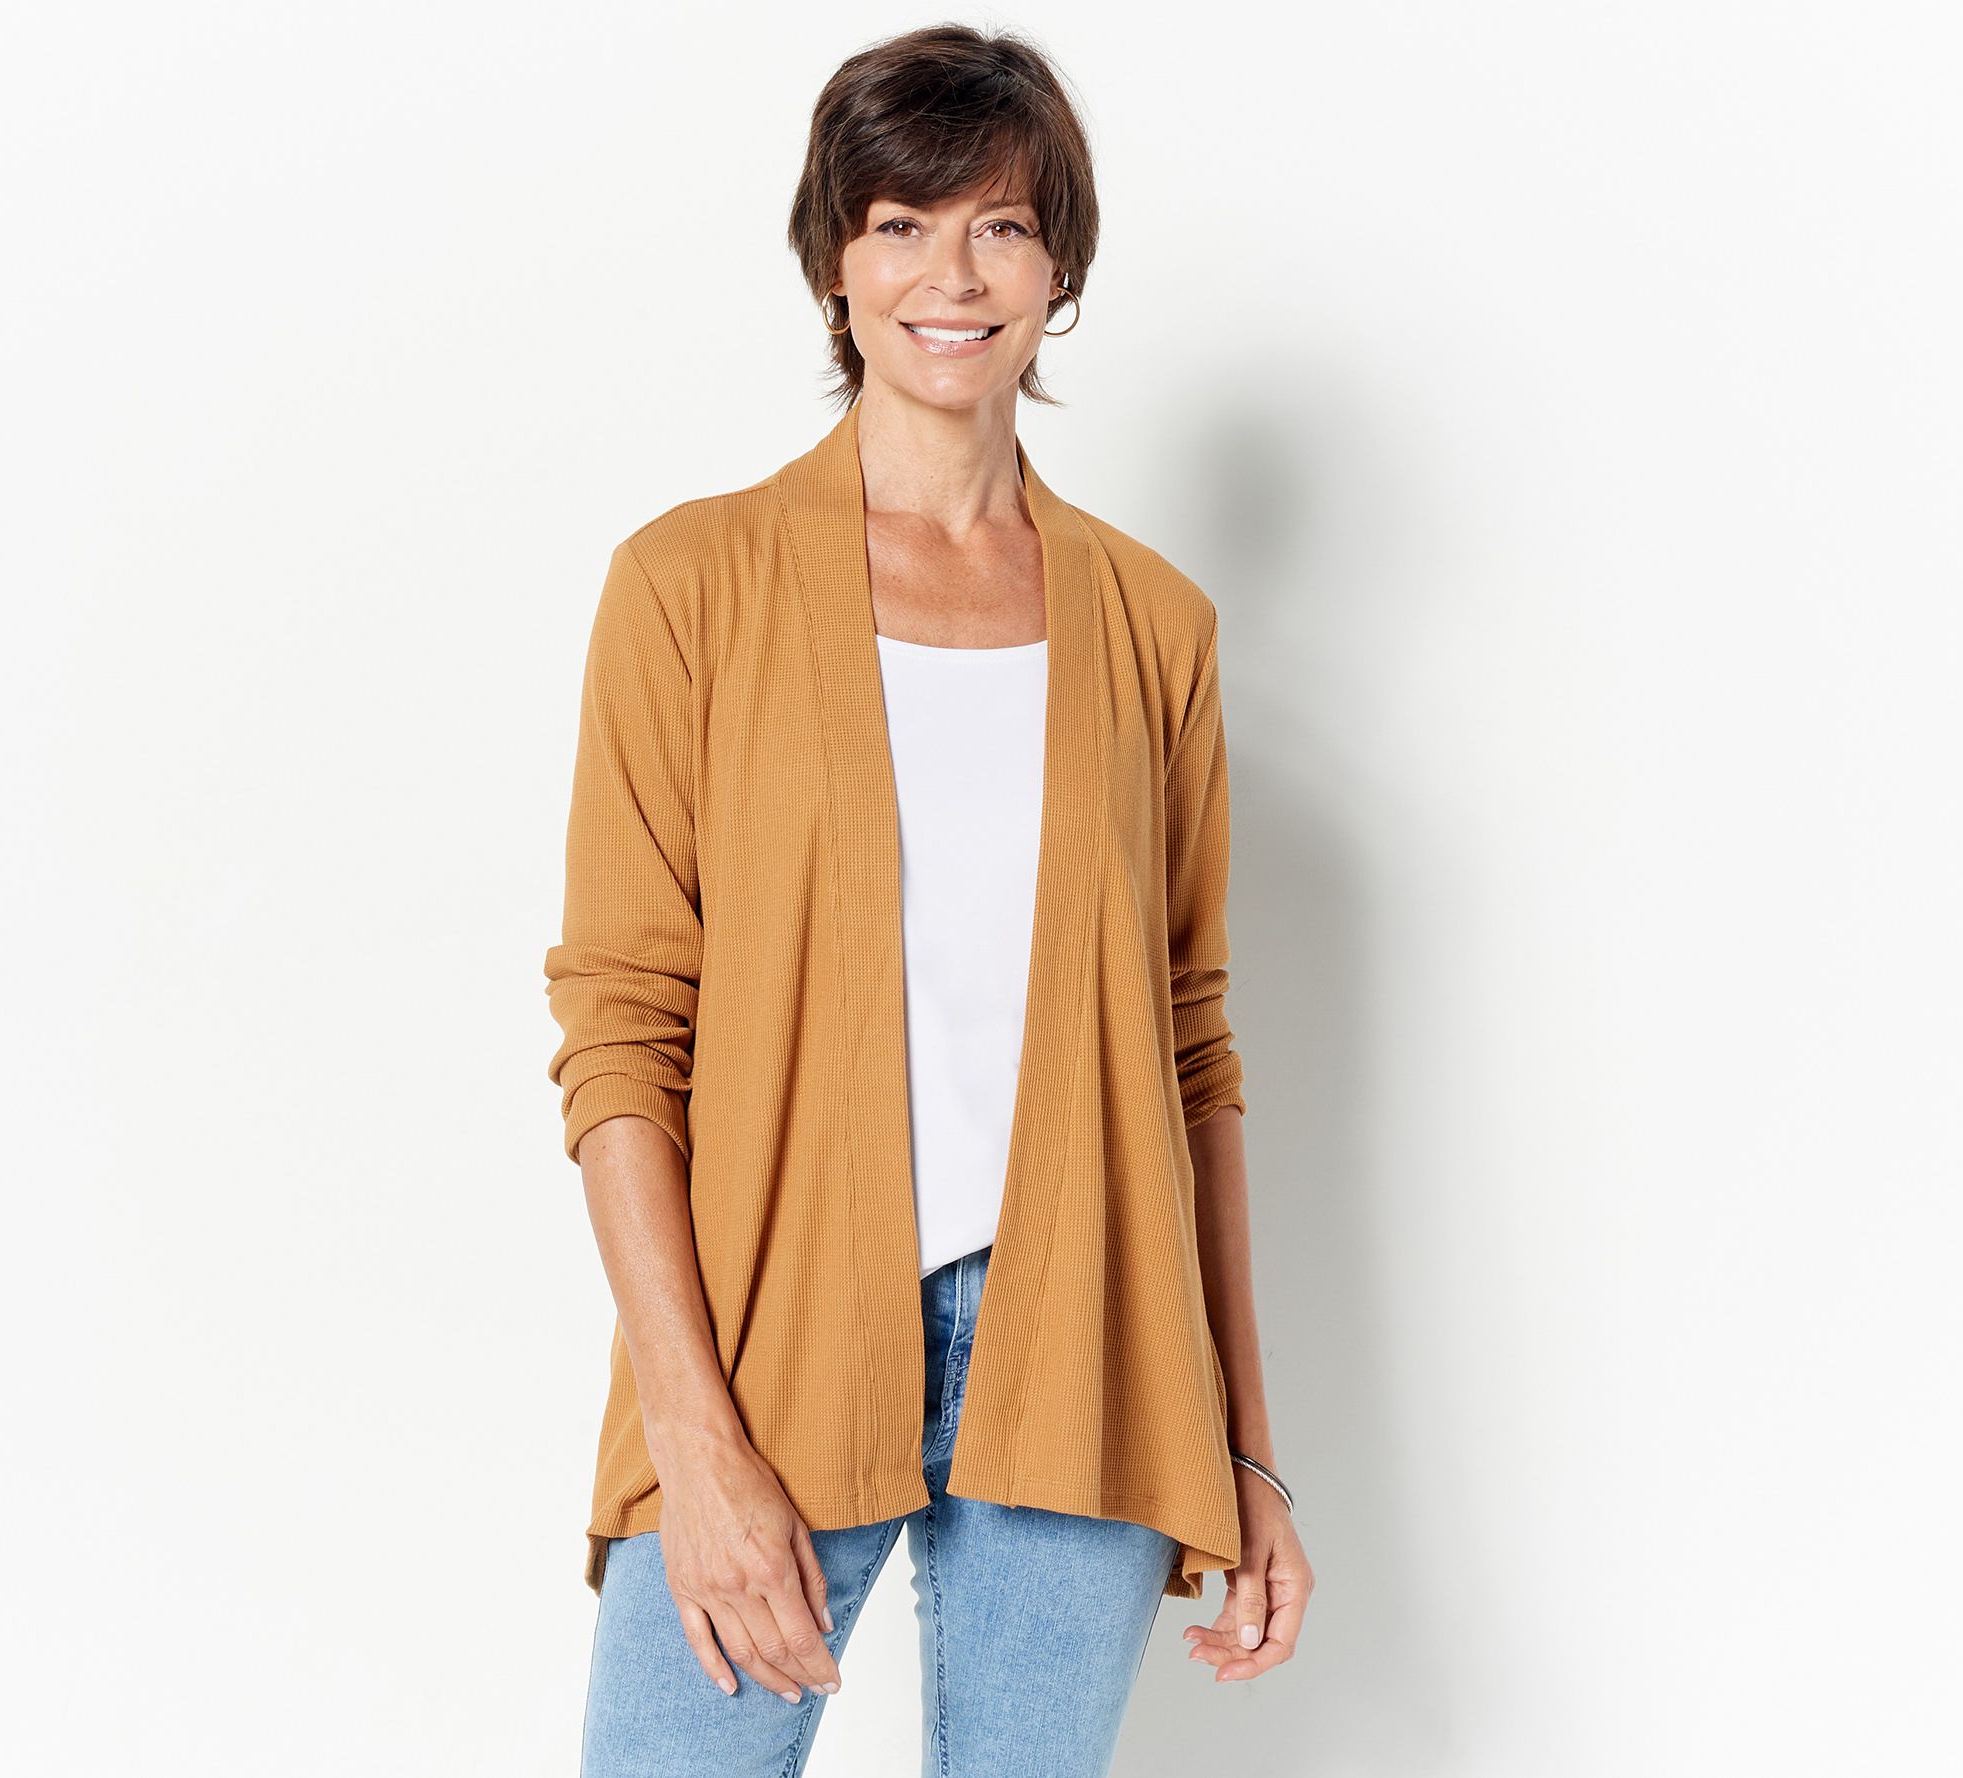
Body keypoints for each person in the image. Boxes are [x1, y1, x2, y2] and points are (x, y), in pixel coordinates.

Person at [543, 24, 1314, 1777]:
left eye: (1002, 228)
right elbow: (622, 1034)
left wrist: (1249, 1449)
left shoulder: (1154, 625)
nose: (950, 277)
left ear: (1059, 272)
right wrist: (690, 1434)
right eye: (900, 224)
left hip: (1090, 1357)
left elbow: (1192, 1053)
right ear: (835, 261)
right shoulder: (691, 585)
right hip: (767, 1349)